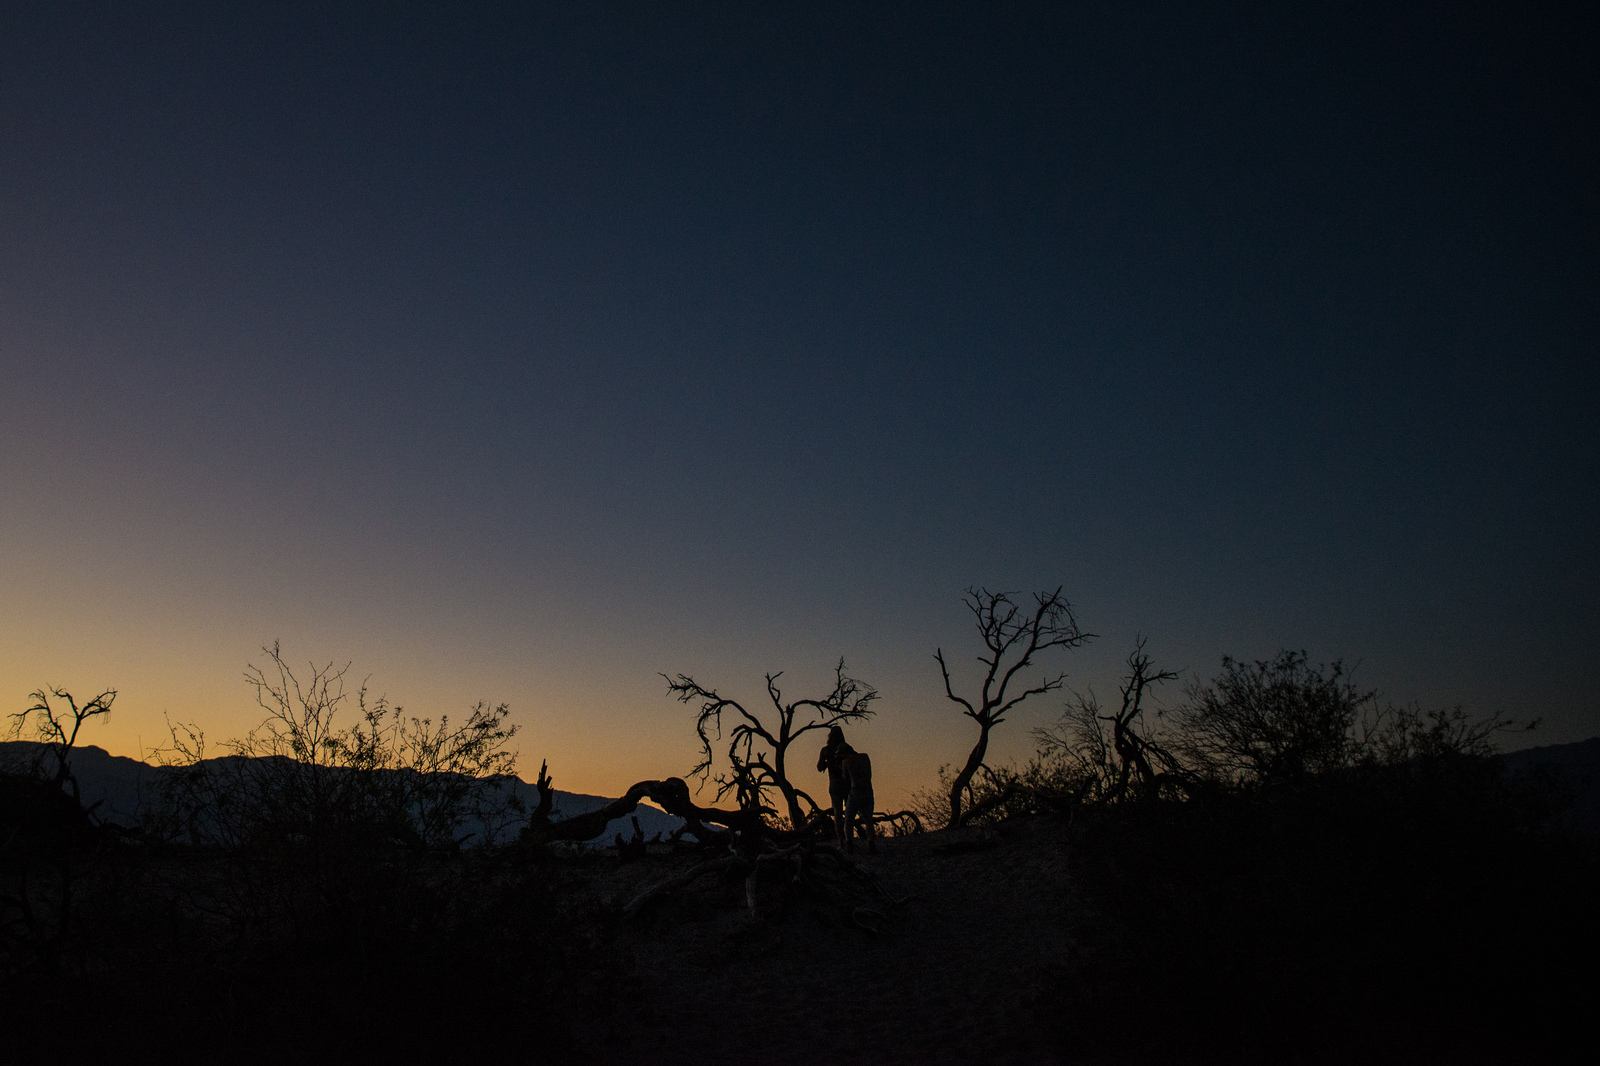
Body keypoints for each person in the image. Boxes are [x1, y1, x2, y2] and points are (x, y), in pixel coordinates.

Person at [817, 726, 854, 847]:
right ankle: (849, 839)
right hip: (847, 784)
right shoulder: (847, 748)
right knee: (850, 813)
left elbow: (819, 767)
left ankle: (841, 841)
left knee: (837, 813)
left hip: (834, 785)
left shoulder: (826, 750)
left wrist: (828, 762)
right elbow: (856, 760)